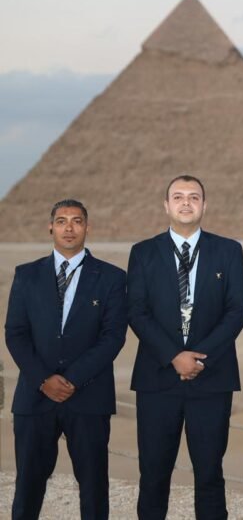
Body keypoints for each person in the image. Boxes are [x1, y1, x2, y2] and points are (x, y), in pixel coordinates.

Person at [127, 175, 243, 519]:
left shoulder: (228, 250)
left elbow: (236, 311)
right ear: (166, 205)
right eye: (178, 196)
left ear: (204, 205)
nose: (186, 202)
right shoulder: (143, 252)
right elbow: (136, 311)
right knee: (153, 473)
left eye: (194, 197)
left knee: (209, 473)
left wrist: (199, 358)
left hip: (212, 378)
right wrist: (174, 356)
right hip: (157, 378)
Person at [5, 199, 127, 519]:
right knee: (27, 489)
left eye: (76, 221)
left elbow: (113, 337)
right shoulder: (26, 275)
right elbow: (15, 333)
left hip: (88, 397)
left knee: (94, 489)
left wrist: (72, 379)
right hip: (35, 397)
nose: (69, 228)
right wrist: (43, 379)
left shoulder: (112, 278)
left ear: (87, 227)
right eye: (61, 221)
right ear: (51, 227)